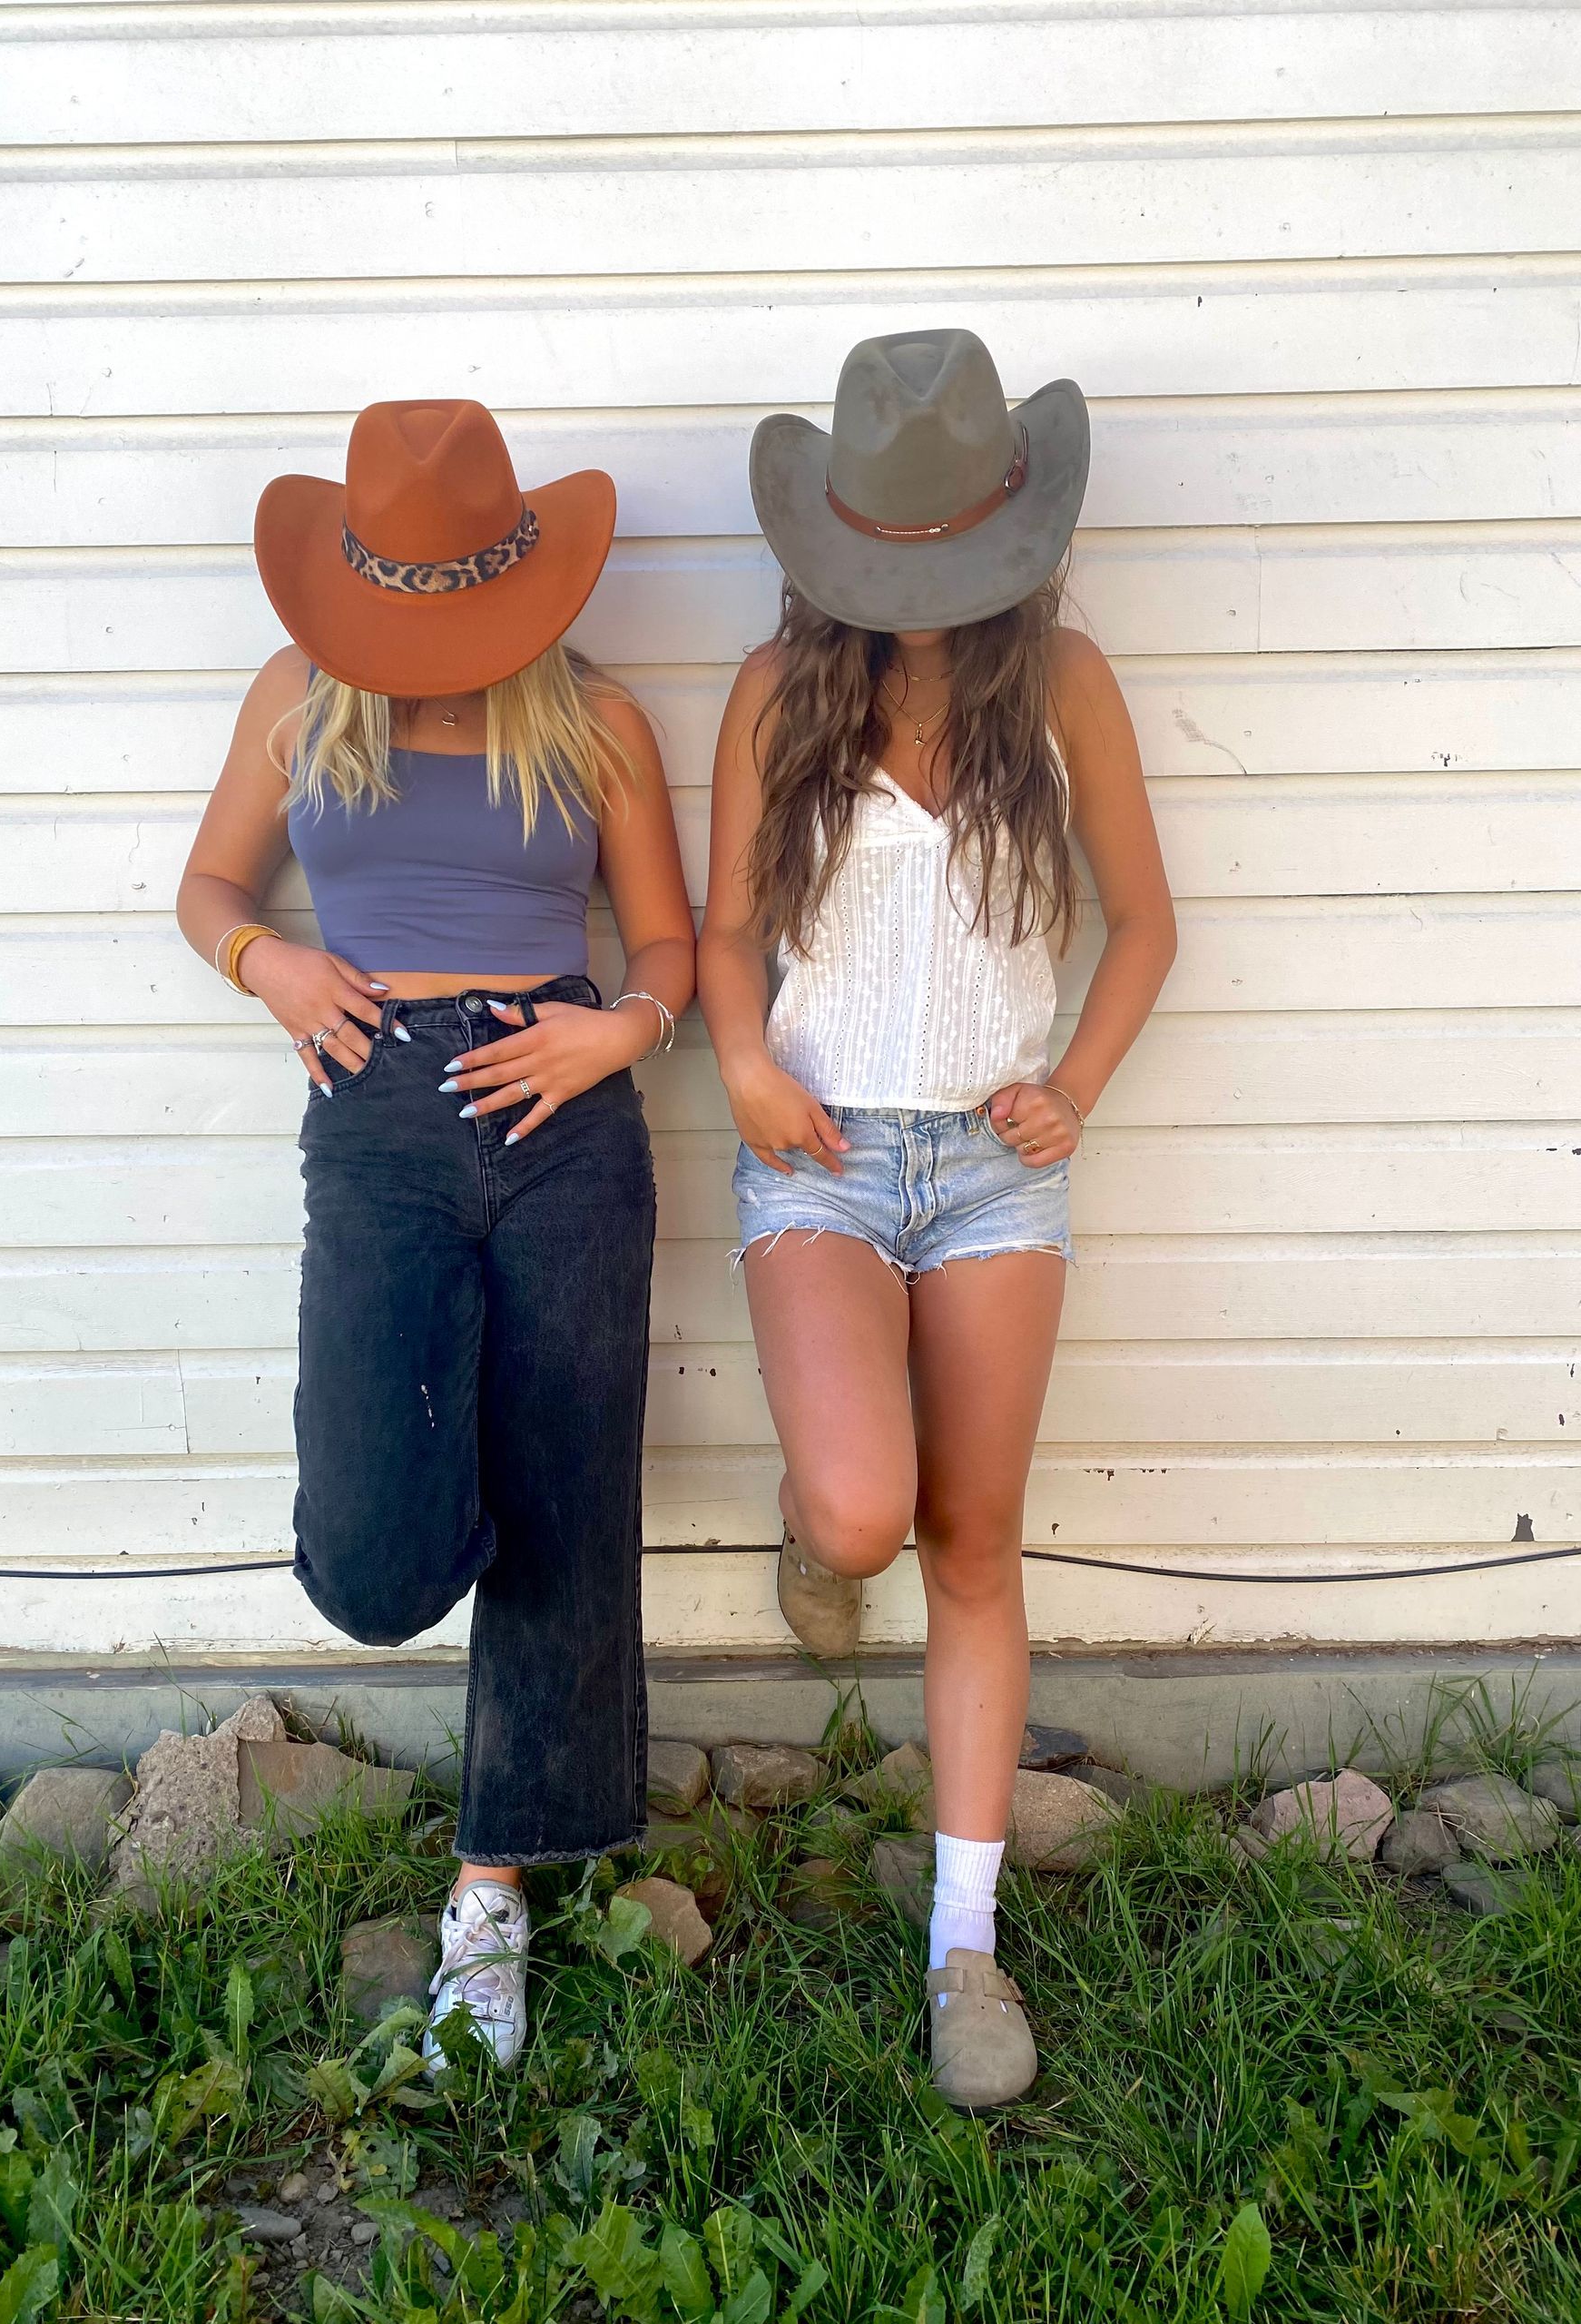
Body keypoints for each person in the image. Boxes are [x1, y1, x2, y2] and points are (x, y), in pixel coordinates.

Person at [176, 399, 694, 2073]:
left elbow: (672, 942)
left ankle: (495, 1885)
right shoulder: (296, 695)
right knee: (382, 1547)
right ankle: (485, 1675)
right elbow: (209, 894)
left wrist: (622, 1029)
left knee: (561, 1503)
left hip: (563, 1115)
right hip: (379, 1114)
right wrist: (275, 968)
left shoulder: (595, 718)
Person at [698, 330, 1175, 2108]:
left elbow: (1143, 921)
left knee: (973, 1539)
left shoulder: (1066, 687)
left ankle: (963, 1945)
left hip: (992, 1163)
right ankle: (825, 1528)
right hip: (817, 1148)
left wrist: (1079, 1082)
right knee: (864, 1501)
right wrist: (739, 1050)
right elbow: (730, 924)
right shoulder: (776, 688)